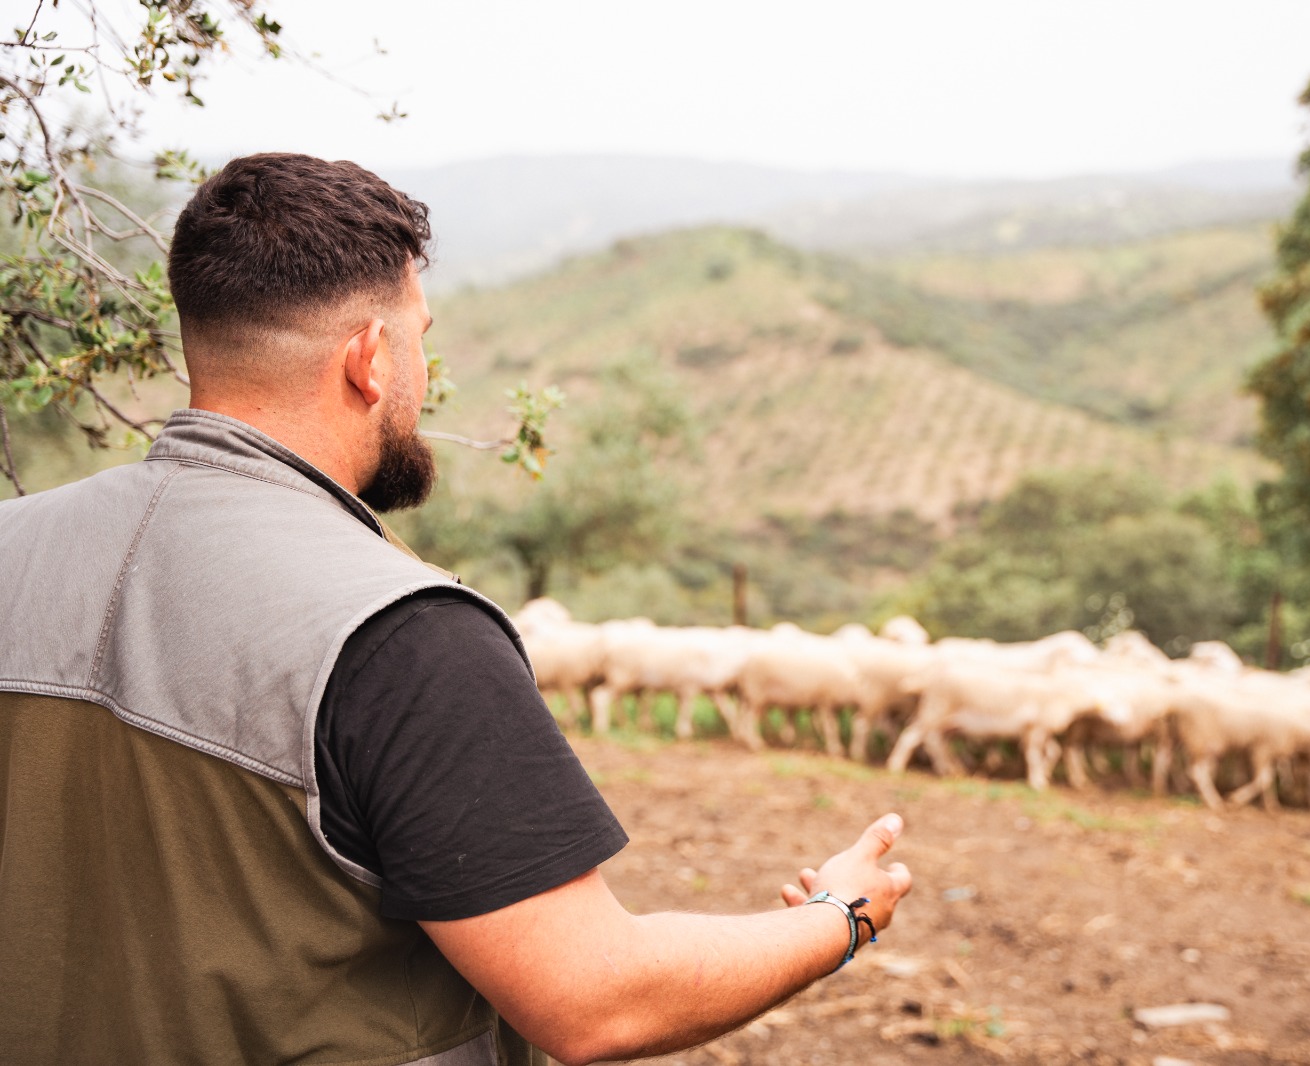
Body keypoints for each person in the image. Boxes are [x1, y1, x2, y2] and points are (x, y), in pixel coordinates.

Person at [0, 152, 912, 1066]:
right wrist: (840, 919)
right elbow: (597, 999)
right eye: (420, 336)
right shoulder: (402, 633)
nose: (423, 372)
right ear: (370, 359)